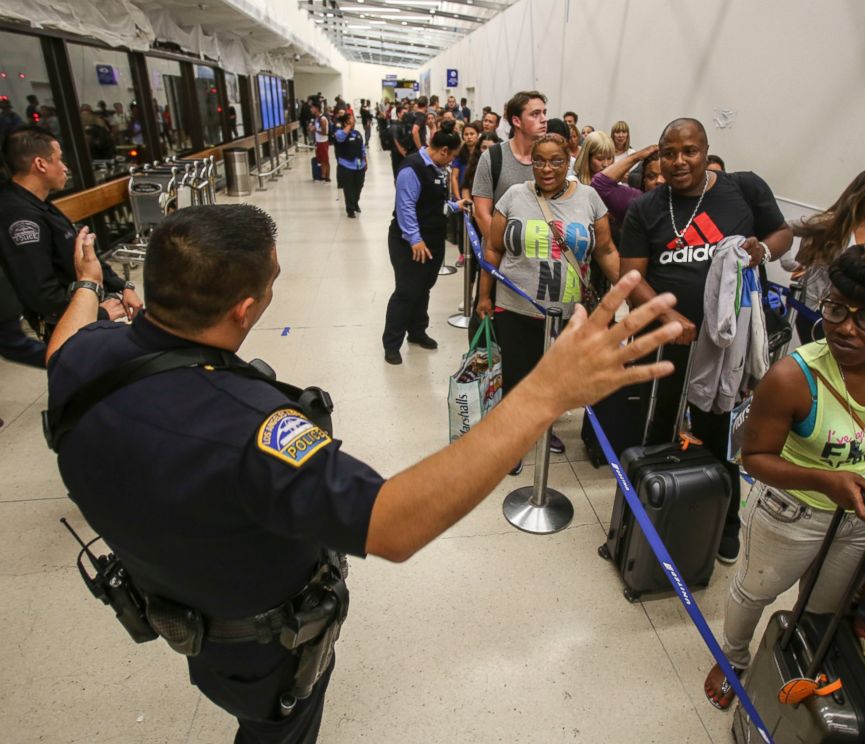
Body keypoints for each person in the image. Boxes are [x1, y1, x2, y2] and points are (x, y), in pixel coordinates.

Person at [46, 200, 684, 744]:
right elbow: (394, 525)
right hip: (257, 646)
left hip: (170, 584)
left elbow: (61, 347)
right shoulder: (254, 432)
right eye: (271, 282)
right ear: (245, 309)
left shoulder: (88, 355)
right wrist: (544, 393)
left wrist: (85, 285)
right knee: (275, 727)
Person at [703, 244, 865, 710]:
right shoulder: (792, 377)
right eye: (835, 309)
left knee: (822, 606)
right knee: (755, 590)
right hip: (794, 511)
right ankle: (731, 658)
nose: (845, 328)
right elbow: (754, 458)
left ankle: (788, 658)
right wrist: (825, 481)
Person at [620, 117, 793, 564]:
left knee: (719, 433)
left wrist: (765, 251)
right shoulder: (647, 207)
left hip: (726, 344)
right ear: (658, 155)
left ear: (706, 149)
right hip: (667, 340)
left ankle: (724, 524)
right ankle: (646, 516)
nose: (679, 162)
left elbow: (782, 233)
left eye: (690, 151)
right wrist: (669, 314)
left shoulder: (744, 189)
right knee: (657, 428)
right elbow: (631, 275)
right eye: (669, 153)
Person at [476, 133, 621, 469]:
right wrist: (484, 295)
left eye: (556, 160)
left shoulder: (589, 198)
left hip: (567, 310)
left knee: (554, 380)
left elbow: (606, 250)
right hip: (515, 304)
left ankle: (541, 429)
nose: (546, 168)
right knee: (516, 376)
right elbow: (494, 248)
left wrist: (629, 289)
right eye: (538, 161)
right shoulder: (514, 196)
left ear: (569, 160)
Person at [0, 126, 141, 340]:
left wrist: (124, 286)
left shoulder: (41, 205)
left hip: (86, 314)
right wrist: (99, 313)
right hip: (69, 326)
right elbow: (42, 295)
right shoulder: (20, 217)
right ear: (40, 164)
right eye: (59, 160)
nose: (65, 168)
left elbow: (82, 258)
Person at [789, 168, 865, 344]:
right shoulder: (833, 223)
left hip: (859, 312)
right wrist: (788, 262)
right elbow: (784, 229)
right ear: (860, 195)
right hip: (819, 308)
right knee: (820, 360)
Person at [470, 91, 548, 345]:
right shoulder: (493, 158)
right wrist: (508, 250)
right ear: (516, 121)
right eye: (535, 114)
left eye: (544, 113)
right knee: (490, 340)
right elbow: (481, 212)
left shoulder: (551, 161)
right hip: (498, 266)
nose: (543, 119)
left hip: (540, 268)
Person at [382, 121, 463, 365]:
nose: (451, 162)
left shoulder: (437, 168)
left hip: (432, 240)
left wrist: (455, 206)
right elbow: (405, 207)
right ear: (444, 151)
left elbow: (432, 204)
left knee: (423, 288)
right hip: (409, 243)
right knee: (406, 292)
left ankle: (417, 332)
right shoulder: (412, 168)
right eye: (452, 157)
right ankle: (391, 345)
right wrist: (415, 240)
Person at [451, 120, 481, 267]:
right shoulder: (459, 154)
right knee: (463, 228)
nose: (469, 137)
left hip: (479, 197)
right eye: (466, 134)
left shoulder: (482, 153)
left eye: (472, 134)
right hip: (463, 198)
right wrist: (458, 197)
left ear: (477, 135)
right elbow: (455, 177)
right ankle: (463, 253)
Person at [333, 112, 367, 218]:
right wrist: (348, 124)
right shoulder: (339, 133)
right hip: (346, 165)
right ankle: (350, 209)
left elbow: (362, 147)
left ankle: (355, 202)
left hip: (359, 165)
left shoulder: (357, 133)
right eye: (351, 119)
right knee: (349, 188)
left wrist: (365, 161)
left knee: (359, 185)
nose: (353, 121)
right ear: (346, 122)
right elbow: (341, 137)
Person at [309, 103, 330, 182]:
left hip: (323, 142)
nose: (311, 109)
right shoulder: (316, 118)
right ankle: (322, 175)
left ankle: (327, 177)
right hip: (318, 142)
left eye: (312, 108)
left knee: (325, 160)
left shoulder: (322, 119)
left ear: (316, 108)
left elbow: (325, 132)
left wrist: (315, 130)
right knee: (320, 160)